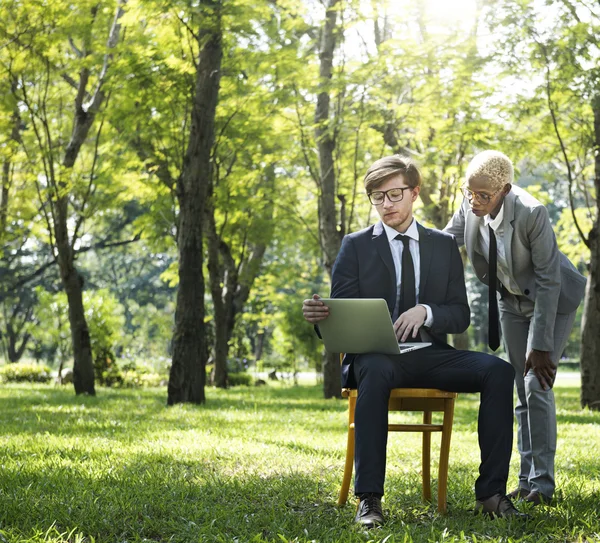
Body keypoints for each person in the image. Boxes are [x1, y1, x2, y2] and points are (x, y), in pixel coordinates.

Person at [303, 155, 524, 528]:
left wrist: (427, 312)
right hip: (377, 358)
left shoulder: (442, 245)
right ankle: (369, 499)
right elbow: (340, 316)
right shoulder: (355, 246)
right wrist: (320, 319)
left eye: (394, 194)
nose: (386, 204)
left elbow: (459, 314)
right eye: (377, 197)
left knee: (499, 372)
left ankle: (491, 494)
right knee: (372, 368)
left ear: (414, 193)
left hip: (431, 355)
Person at [444, 150, 587, 506]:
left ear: (504, 189)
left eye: (483, 196)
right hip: (511, 302)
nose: (474, 201)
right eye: (469, 192)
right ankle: (524, 482)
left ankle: (543, 485)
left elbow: (549, 281)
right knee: (519, 390)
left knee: (536, 383)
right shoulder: (469, 204)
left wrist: (540, 346)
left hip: (550, 300)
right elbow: (444, 240)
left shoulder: (532, 212)